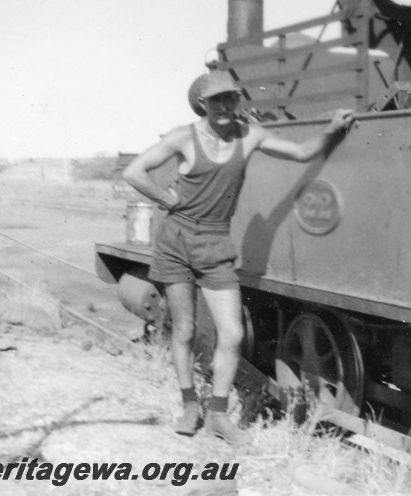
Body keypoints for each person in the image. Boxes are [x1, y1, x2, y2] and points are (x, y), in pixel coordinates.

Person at [123, 69, 354, 445]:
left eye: (231, 98)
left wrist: (332, 128)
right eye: (217, 101)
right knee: (184, 328)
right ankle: (189, 405)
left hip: (215, 241)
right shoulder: (184, 136)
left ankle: (217, 414)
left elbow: (300, 153)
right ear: (202, 104)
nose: (226, 107)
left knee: (232, 333)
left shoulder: (251, 135)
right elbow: (134, 171)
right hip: (176, 239)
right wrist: (165, 198)